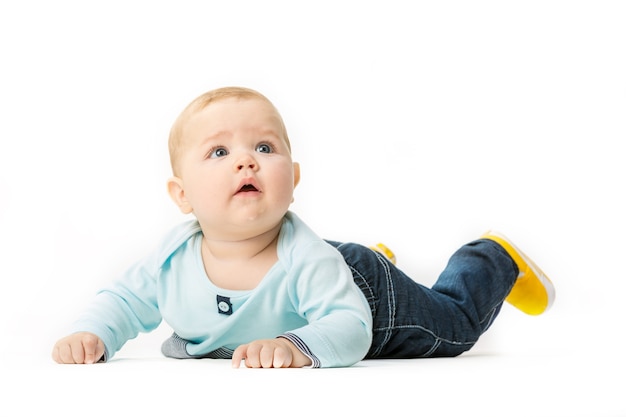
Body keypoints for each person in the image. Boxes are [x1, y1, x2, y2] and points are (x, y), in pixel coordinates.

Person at [51, 86, 555, 368]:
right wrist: (92, 332)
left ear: (291, 181)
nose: (246, 161)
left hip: (366, 300)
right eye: (219, 152)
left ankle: (489, 259)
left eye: (264, 148)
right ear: (181, 195)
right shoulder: (170, 261)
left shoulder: (303, 258)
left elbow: (351, 329)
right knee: (334, 276)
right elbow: (122, 300)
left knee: (455, 327)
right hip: (330, 279)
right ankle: (377, 256)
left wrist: (297, 346)